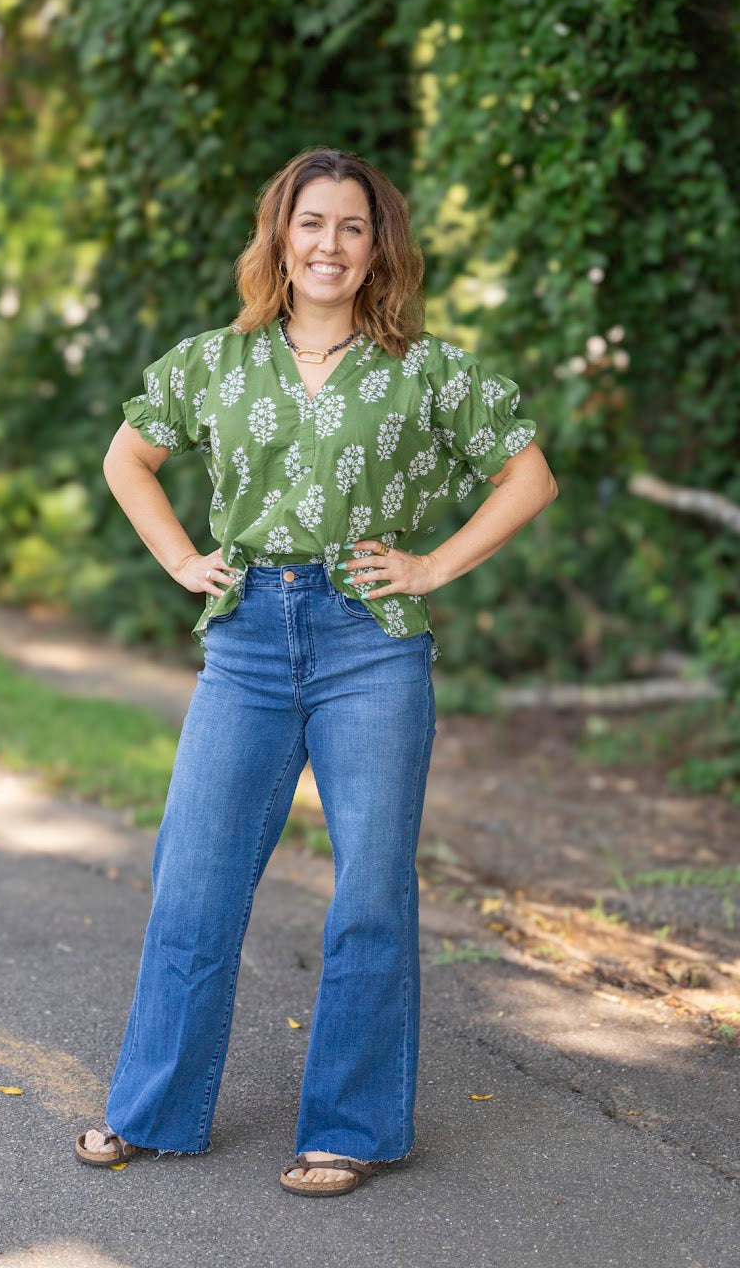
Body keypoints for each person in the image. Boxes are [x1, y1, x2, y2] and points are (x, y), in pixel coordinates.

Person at [75, 147, 558, 1197]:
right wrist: (177, 560)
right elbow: (128, 457)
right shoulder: (216, 360)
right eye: (310, 224)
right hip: (246, 638)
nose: (328, 245)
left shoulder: (428, 371)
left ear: (375, 246)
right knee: (194, 880)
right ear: (279, 241)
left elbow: (528, 475)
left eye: (350, 226)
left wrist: (430, 564)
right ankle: (153, 1110)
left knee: (370, 892)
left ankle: (349, 1127)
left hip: (369, 642)